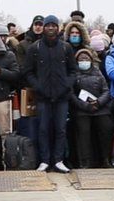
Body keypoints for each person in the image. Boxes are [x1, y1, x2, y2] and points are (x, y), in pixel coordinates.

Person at [22, 15, 77, 172]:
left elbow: (73, 70)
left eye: (54, 25)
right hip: (43, 96)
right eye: (48, 25)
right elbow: (27, 71)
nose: (51, 28)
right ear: (44, 28)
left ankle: (59, 159)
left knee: (60, 129)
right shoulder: (35, 48)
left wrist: (67, 84)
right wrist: (37, 86)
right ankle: (45, 160)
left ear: (58, 28)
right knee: (43, 129)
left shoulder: (66, 48)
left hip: (62, 96)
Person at [70, 49, 114, 168]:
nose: (84, 61)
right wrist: (84, 105)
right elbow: (71, 94)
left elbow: (106, 91)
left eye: (86, 59)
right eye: (81, 59)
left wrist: (98, 102)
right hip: (81, 109)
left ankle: (106, 159)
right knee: (83, 132)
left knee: (106, 128)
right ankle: (84, 161)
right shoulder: (73, 74)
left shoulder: (98, 72)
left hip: (100, 107)